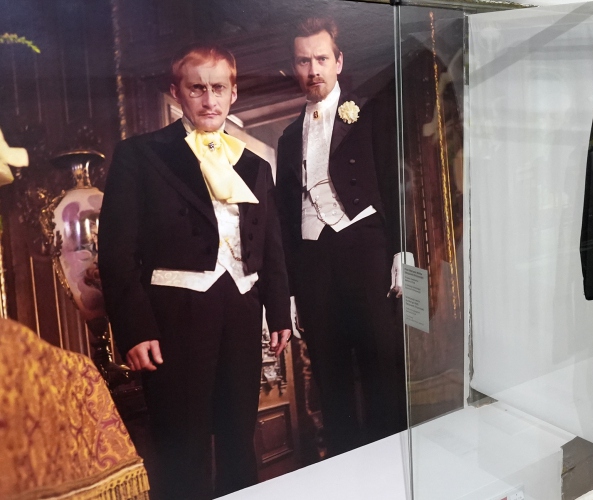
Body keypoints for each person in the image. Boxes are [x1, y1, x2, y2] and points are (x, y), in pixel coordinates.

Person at [98, 44, 291, 499]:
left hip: (241, 309)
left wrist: (279, 312)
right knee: (181, 449)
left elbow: (271, 244)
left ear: (233, 93)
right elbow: (116, 252)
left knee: (239, 442)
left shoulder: (255, 165)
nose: (209, 99)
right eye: (197, 88)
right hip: (175, 314)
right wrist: (135, 329)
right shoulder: (141, 155)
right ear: (177, 92)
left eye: (218, 88)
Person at [276, 17, 409, 458]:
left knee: (380, 362)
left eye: (321, 58)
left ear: (338, 62)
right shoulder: (287, 138)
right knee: (329, 374)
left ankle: (389, 463)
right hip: (313, 260)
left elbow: (395, 182)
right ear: (294, 67)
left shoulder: (368, 113)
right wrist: (290, 290)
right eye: (303, 61)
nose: (313, 69)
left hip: (366, 247)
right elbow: (284, 217)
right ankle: (346, 468)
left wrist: (401, 248)